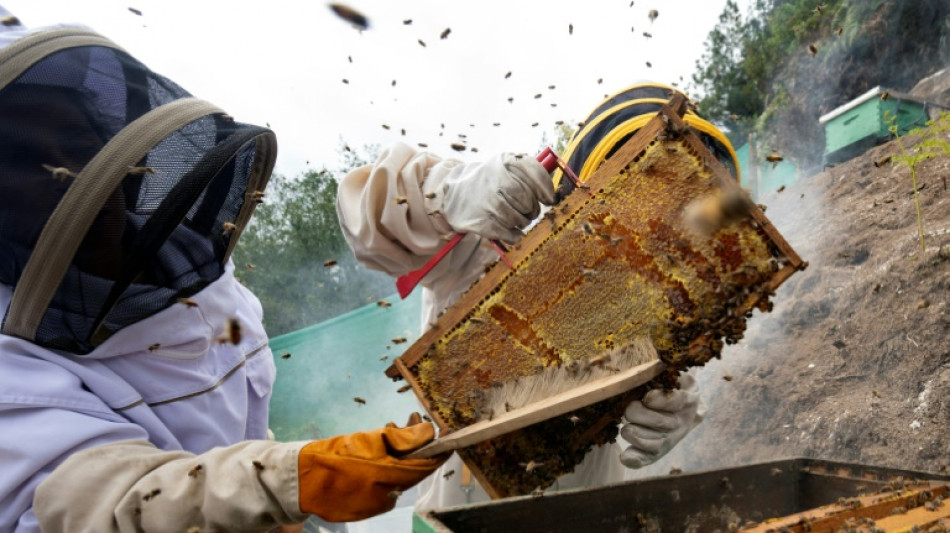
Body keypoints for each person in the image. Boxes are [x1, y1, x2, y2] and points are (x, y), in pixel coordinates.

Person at [0, 10, 444, 532]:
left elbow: (227, 427)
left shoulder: (193, 270)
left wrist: (280, 487)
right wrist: (278, 482)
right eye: (28, 162)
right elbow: (84, 504)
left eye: (77, 147)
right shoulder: (13, 364)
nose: (67, 176)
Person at [334, 81, 739, 509]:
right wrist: (447, 193)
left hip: (586, 513)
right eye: (649, 197)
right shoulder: (491, 237)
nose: (657, 228)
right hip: (467, 510)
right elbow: (364, 217)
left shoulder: (660, 299)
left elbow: (668, 383)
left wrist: (676, 409)